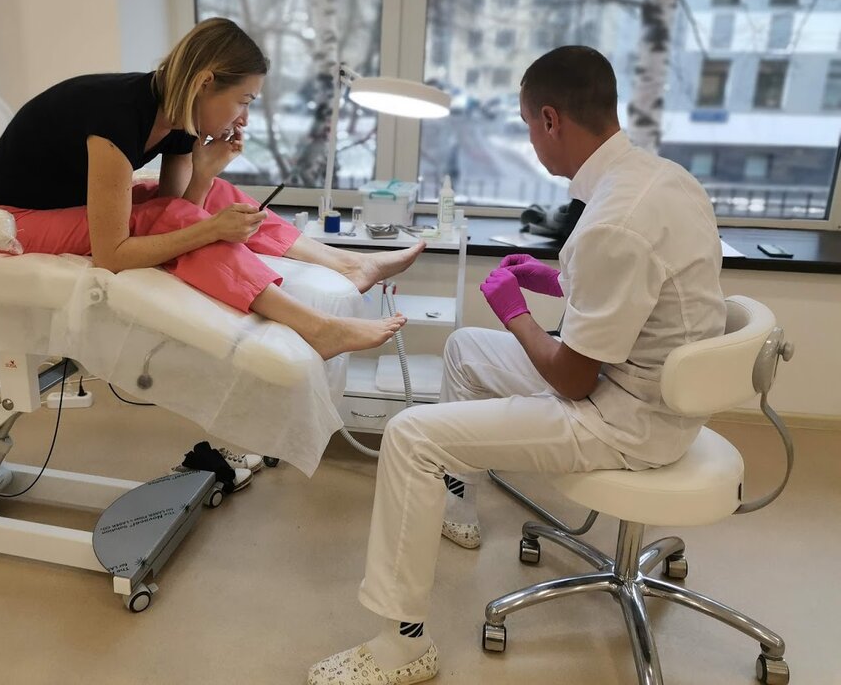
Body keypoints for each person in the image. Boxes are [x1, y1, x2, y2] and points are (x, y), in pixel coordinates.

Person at [307, 45, 726, 684]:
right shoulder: (662, 180)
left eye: (529, 125)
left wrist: (515, 312)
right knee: (463, 349)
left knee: (412, 436)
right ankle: (456, 509)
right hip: (650, 383)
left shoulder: (613, 221)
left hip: (626, 418)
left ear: (551, 119)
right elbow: (643, 293)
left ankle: (403, 645)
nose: (531, 141)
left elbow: (573, 380)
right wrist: (555, 279)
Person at [0, 17, 423, 360]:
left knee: (220, 193)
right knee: (191, 219)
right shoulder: (117, 117)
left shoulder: (177, 117)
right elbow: (113, 255)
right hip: (10, 221)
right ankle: (317, 328)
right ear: (206, 83)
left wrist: (205, 175)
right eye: (243, 101)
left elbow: (176, 209)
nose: (245, 118)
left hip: (69, 205)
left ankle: (349, 264)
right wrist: (212, 231)